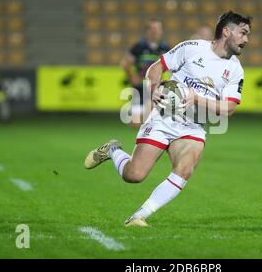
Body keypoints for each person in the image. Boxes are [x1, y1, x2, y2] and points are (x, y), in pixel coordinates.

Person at [84, 11, 251, 227]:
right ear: (226, 31)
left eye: (248, 34)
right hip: (164, 118)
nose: (246, 39)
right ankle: (112, 150)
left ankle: (139, 216)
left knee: (185, 168)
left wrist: (196, 98)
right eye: (243, 33)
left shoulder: (236, 70)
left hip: (192, 127)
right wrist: (153, 88)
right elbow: (156, 68)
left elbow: (229, 108)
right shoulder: (192, 48)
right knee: (134, 175)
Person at [121, 18, 170, 128]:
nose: (155, 31)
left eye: (157, 29)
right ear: (147, 31)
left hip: (155, 88)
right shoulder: (139, 47)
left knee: (154, 120)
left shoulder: (165, 47)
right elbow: (125, 64)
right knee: (136, 123)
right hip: (140, 88)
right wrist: (132, 77)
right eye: (152, 29)